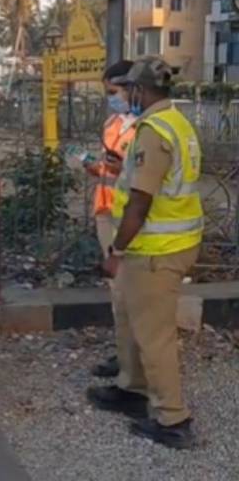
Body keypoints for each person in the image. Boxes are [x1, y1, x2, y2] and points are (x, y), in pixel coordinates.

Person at [86, 57, 203, 450]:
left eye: (126, 90)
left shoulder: (153, 130)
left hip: (155, 250)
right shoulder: (178, 123)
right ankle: (133, 390)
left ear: (139, 90)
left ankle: (174, 419)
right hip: (171, 244)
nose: (123, 97)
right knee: (138, 325)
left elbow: (140, 202)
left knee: (155, 337)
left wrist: (116, 249)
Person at [88, 60, 138, 379]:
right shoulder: (112, 123)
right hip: (106, 210)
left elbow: (141, 177)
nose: (111, 97)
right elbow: (109, 165)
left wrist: (121, 171)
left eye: (114, 91)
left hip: (128, 216)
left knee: (126, 289)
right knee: (115, 289)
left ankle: (131, 363)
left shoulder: (145, 127)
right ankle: (124, 354)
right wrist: (94, 166)